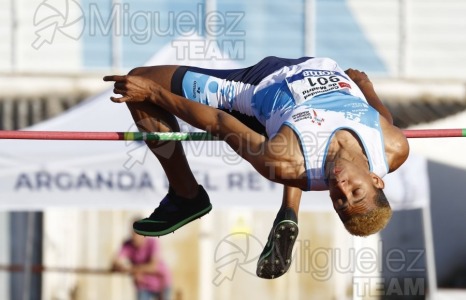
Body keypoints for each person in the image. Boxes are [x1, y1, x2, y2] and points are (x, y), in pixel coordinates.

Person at [104, 56, 409, 279]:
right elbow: (382, 118)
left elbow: (219, 123)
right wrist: (366, 87)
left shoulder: (284, 159)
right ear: (375, 180)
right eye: (355, 191)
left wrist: (153, 94)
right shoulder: (393, 147)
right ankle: (288, 211)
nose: (341, 187)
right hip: (318, 81)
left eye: (339, 200)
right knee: (296, 156)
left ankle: (186, 193)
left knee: (139, 78)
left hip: (253, 85)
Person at [113, 227, 172, 300]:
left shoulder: (153, 242)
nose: (135, 236)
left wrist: (131, 269)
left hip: (161, 282)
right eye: (134, 233)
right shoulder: (128, 244)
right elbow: (116, 261)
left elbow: (153, 266)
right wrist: (120, 266)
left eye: (138, 233)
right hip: (142, 284)